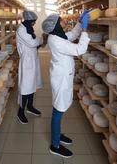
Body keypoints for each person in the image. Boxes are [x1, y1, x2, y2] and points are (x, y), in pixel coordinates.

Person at [41, 11, 91, 158]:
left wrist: (80, 24)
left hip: (63, 76)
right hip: (61, 79)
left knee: (60, 108)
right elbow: (79, 49)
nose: (63, 21)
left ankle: (58, 135)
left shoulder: (58, 36)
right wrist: (86, 31)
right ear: (56, 25)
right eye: (61, 20)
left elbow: (72, 35)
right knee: (58, 111)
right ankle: (55, 145)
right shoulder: (56, 40)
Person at [16, 10, 44, 124]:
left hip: (33, 60)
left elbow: (34, 42)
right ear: (28, 20)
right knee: (25, 87)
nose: (34, 24)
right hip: (26, 62)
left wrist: (40, 41)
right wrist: (42, 39)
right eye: (33, 22)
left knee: (32, 85)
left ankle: (30, 106)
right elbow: (33, 42)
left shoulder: (28, 28)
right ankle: (20, 111)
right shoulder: (21, 30)